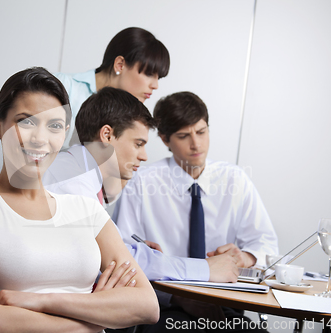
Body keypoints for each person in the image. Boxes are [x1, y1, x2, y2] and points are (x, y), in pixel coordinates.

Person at [0, 67, 159, 333]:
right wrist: (98, 314)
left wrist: (42, 301)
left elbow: (147, 306)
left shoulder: (86, 209)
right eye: (26, 121)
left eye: (53, 126)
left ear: (64, 133)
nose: (40, 138)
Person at [113, 91, 279, 332]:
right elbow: (122, 259)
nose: (196, 144)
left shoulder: (235, 179)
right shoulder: (141, 182)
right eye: (183, 136)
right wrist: (175, 297)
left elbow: (268, 248)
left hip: (222, 304)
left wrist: (245, 258)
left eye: (201, 132)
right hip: (164, 306)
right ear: (164, 139)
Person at [44, 87, 239, 282]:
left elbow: (106, 249)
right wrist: (205, 269)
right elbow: (121, 262)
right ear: (107, 136)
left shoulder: (78, 173)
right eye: (138, 144)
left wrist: (129, 246)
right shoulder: (73, 186)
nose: (144, 156)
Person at [54, 27, 170, 148]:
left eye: (158, 78)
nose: (155, 86)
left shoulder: (129, 115)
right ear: (120, 65)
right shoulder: (64, 87)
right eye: (149, 74)